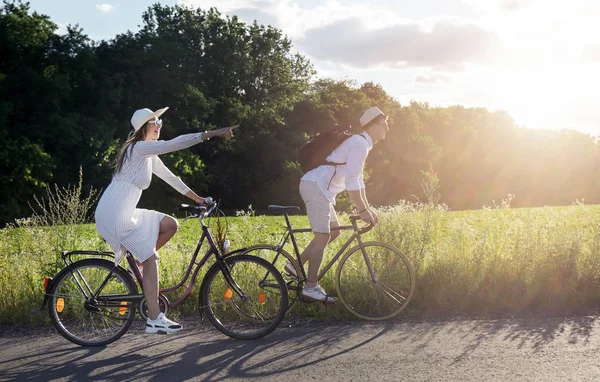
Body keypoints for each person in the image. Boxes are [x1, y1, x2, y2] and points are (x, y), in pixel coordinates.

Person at [95, 106, 236, 334]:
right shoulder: (139, 148)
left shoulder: (147, 154)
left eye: (160, 120)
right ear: (144, 127)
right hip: (115, 213)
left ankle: (139, 264)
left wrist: (198, 199)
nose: (160, 124)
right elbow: (175, 143)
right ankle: (154, 318)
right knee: (151, 260)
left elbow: (171, 178)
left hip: (125, 210)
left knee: (170, 224)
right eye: (155, 121)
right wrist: (213, 133)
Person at [287, 106, 389, 302]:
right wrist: (363, 210)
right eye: (384, 124)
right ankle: (311, 286)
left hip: (320, 189)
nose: (386, 128)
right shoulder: (359, 143)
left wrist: (366, 208)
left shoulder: (362, 144)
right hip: (316, 186)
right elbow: (352, 181)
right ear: (373, 126)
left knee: (334, 231)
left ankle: (295, 265)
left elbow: (358, 181)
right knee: (322, 236)